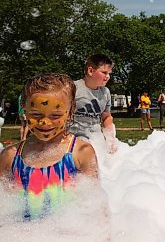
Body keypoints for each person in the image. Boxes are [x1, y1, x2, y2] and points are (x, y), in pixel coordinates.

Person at [0, 73, 98, 220]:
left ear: (70, 112)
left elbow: (95, 207)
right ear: (24, 110)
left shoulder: (81, 153)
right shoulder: (10, 156)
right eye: (36, 114)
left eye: (55, 115)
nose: (45, 122)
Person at [70, 54, 118, 154]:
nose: (108, 76)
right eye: (104, 72)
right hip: (73, 140)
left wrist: (111, 140)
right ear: (90, 71)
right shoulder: (73, 88)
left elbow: (106, 117)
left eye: (109, 73)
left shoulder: (105, 92)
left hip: (95, 139)